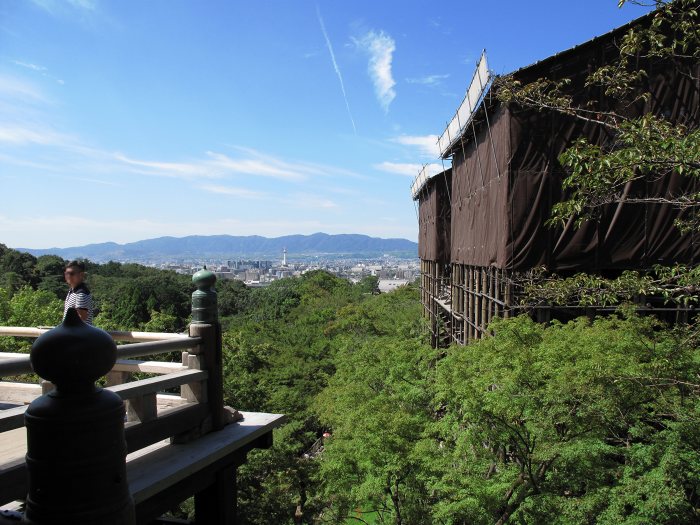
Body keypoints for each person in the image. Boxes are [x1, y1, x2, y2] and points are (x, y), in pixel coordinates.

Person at [63, 260, 94, 324]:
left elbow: (81, 319)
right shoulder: (72, 291)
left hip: (78, 334)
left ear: (81, 275)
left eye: (71, 273)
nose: (68, 276)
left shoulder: (81, 294)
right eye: (66, 273)